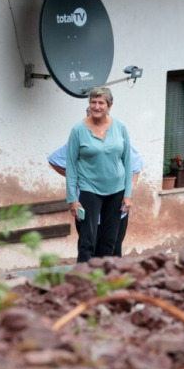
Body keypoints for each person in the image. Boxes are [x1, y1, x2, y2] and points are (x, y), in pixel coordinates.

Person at [66, 87, 132, 262]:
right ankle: (84, 281)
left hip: (116, 191)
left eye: (101, 102)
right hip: (90, 190)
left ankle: (103, 280)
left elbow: (127, 162)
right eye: (93, 102)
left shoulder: (120, 128)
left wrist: (128, 195)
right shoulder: (78, 130)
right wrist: (72, 198)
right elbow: (71, 166)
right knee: (87, 239)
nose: (96, 106)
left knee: (109, 240)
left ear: (109, 105)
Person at [49, 143, 142, 256]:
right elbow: (55, 160)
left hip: (117, 210)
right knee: (89, 253)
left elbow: (135, 169)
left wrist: (127, 192)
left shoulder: (119, 140)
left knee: (113, 253)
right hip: (88, 211)